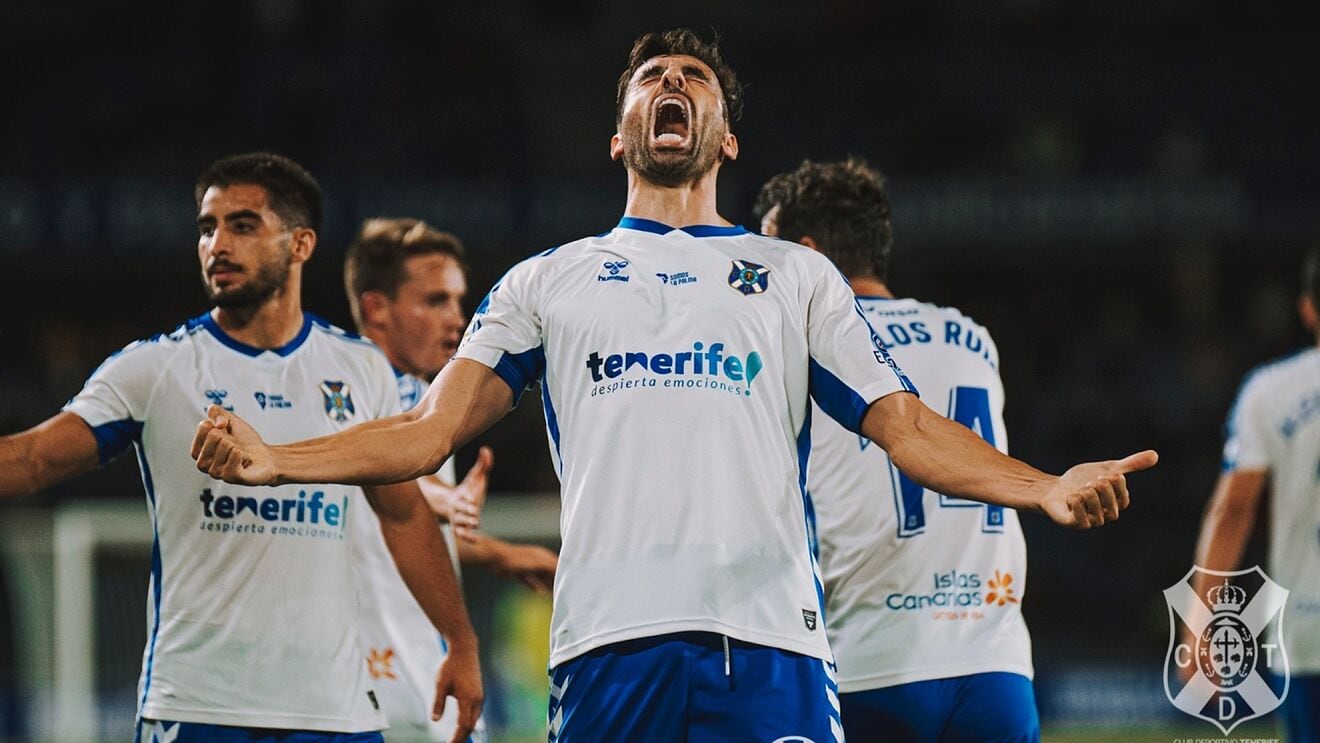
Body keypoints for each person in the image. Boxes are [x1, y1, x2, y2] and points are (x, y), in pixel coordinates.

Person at [191, 31, 1156, 740]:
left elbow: (904, 426)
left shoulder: (796, 278)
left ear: (726, 139)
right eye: (651, 77)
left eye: (693, 79)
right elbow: (424, 431)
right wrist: (277, 458)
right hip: (610, 648)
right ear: (619, 135)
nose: (671, 85)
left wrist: (1044, 485)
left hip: (771, 646)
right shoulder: (546, 281)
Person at [0, 153, 482, 743]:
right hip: (200, 706)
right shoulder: (155, 368)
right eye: (208, 228)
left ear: (301, 244)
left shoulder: (361, 371)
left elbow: (404, 515)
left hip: (336, 712)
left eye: (243, 225)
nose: (217, 244)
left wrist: (459, 641)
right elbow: (28, 460)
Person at [757, 158, 1038, 741]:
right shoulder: (972, 339)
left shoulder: (802, 352)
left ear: (807, 256)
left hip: (870, 663)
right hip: (996, 667)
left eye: (770, 253)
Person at [342, 217, 559, 742]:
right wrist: (445, 498)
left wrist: (503, 555)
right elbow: (399, 485)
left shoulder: (423, 399)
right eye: (435, 301)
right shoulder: (356, 390)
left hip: (417, 665)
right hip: (383, 679)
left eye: (459, 302)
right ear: (377, 309)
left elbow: (394, 525)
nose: (456, 320)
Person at [1190, 247, 1320, 741]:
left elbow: (1233, 510)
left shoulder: (1270, 390)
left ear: (1308, 308)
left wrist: (1203, 620)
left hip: (1309, 633)